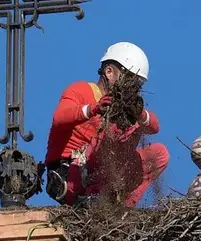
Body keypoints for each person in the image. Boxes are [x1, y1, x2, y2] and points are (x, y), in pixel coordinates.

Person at [44, 42, 170, 207]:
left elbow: (154, 126)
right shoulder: (80, 90)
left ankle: (119, 207)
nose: (132, 87)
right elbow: (59, 117)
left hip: (102, 177)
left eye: (136, 83)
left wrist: (139, 113)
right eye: (128, 78)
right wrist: (93, 109)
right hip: (70, 175)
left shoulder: (124, 111)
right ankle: (93, 197)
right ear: (109, 72)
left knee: (159, 153)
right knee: (110, 128)